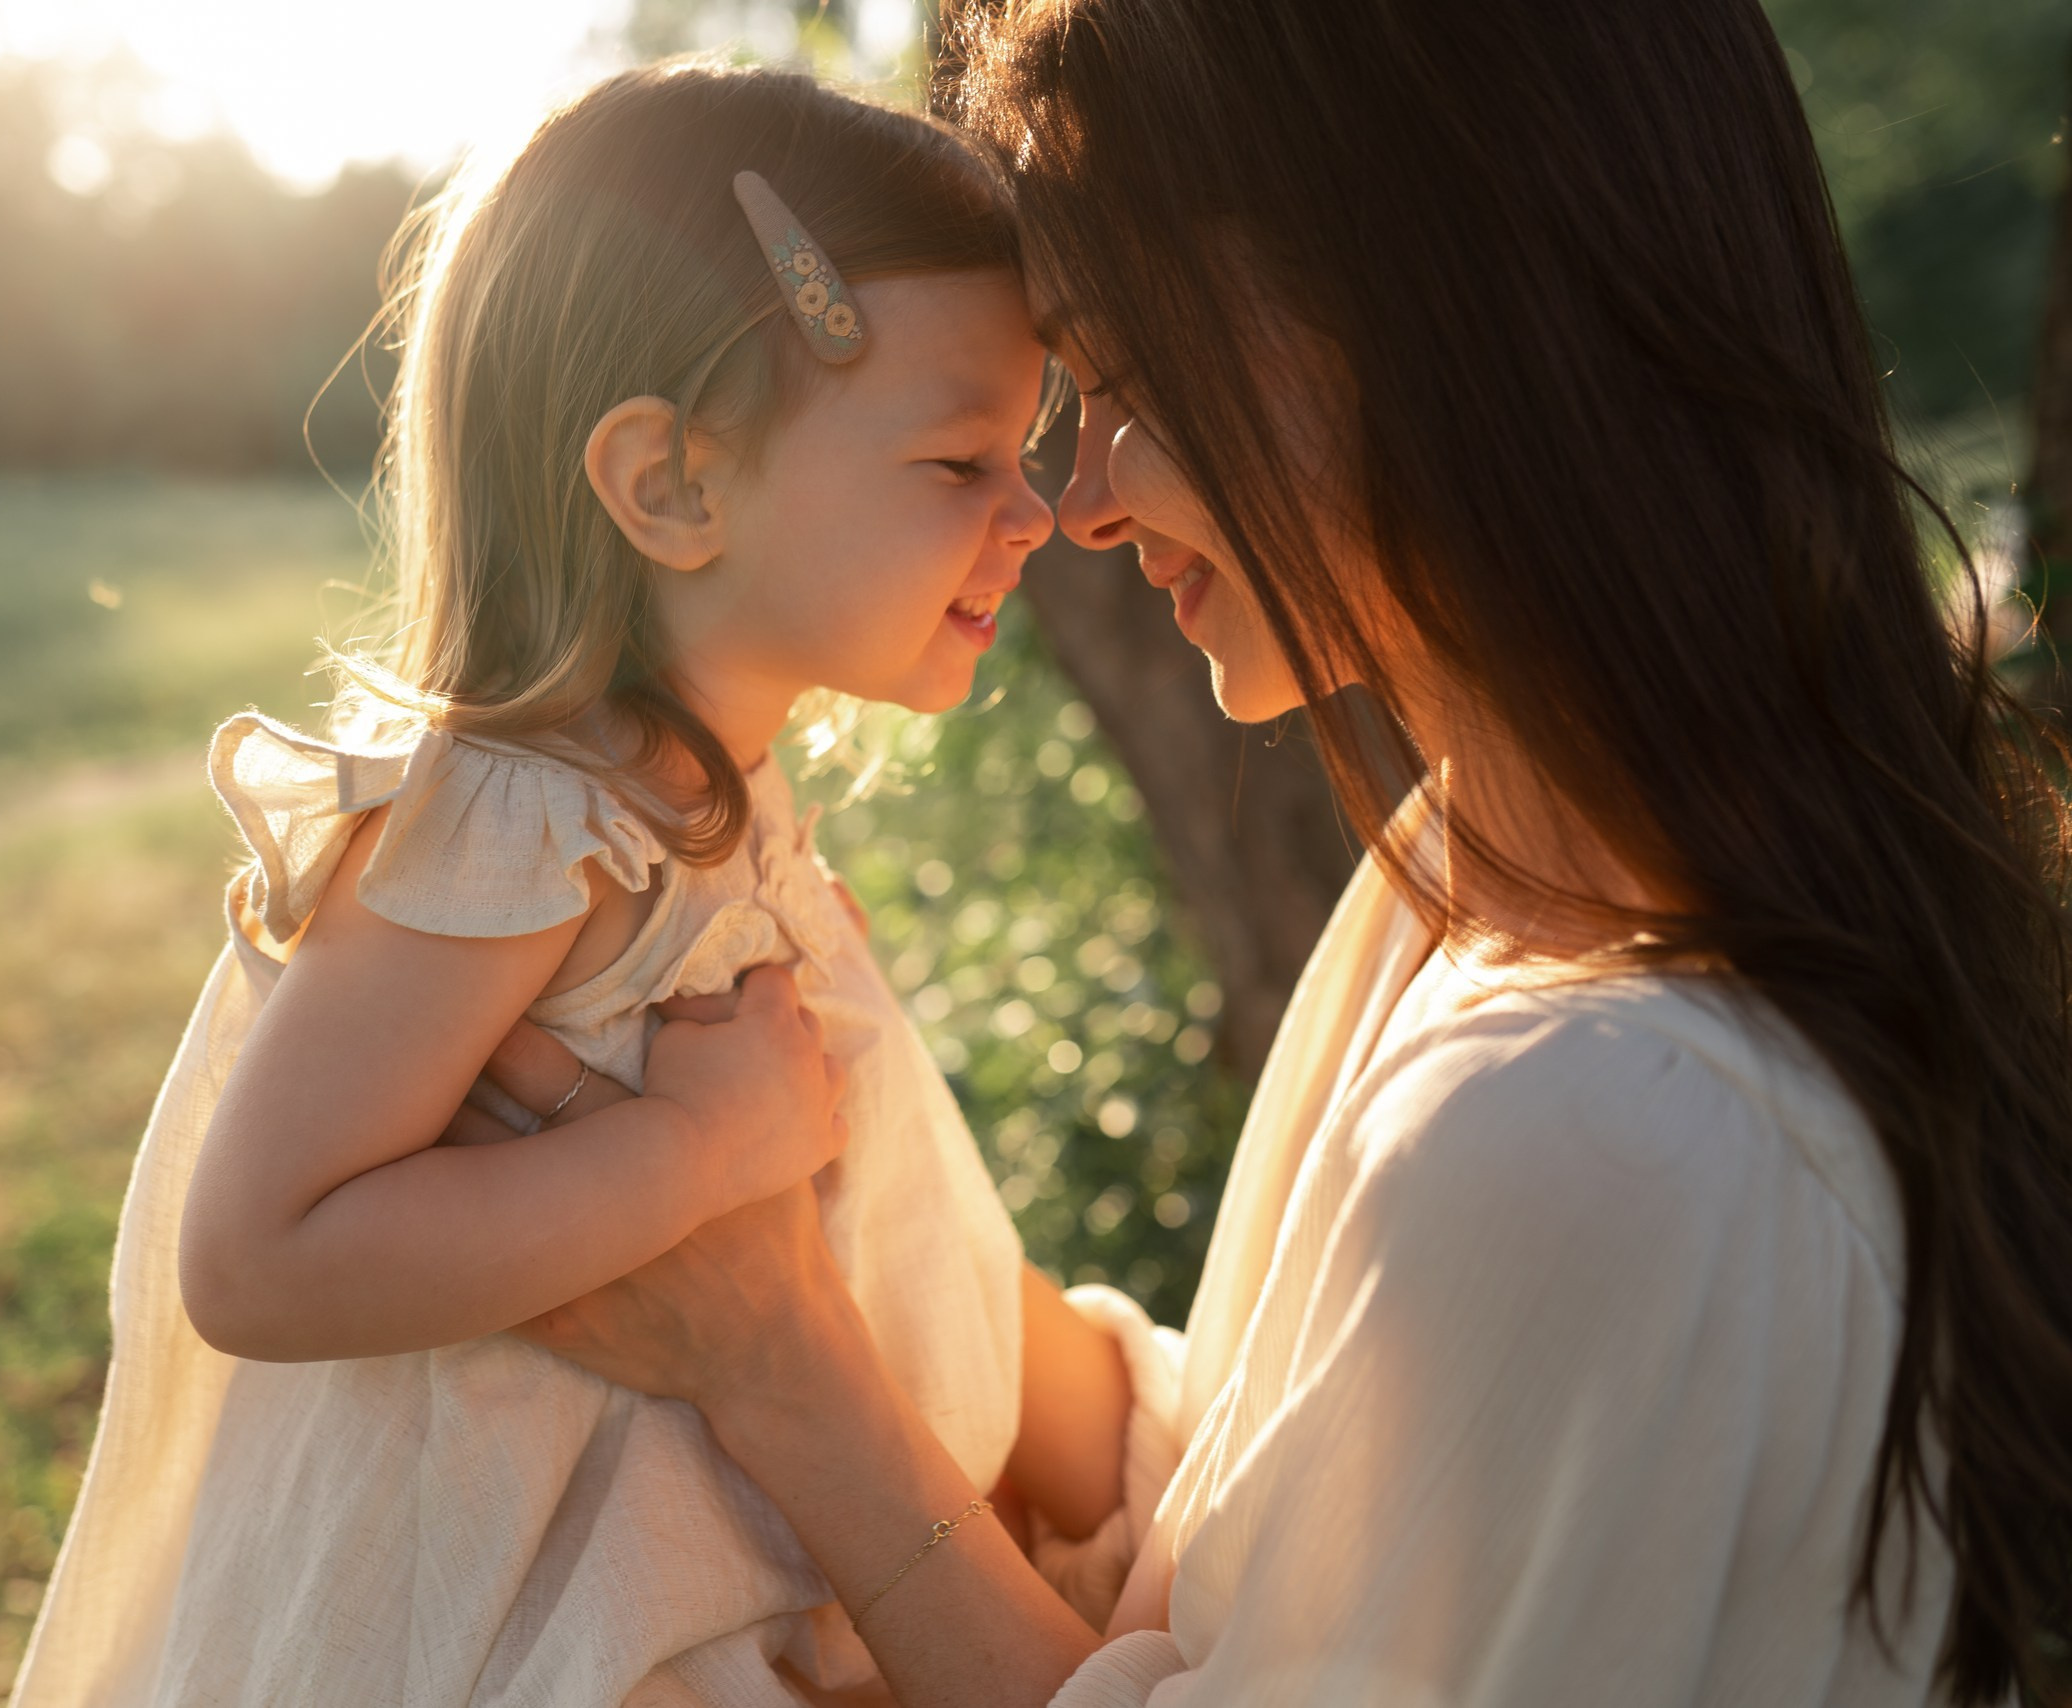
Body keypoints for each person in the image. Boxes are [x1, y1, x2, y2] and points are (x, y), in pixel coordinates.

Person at [481, 2, 2072, 1705]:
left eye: (1139, 380)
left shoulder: (1609, 1126)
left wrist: (780, 1365)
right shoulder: (1478, 863)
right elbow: (1283, 1522)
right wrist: (845, 1188)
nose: (1081, 501)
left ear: (1446, 313)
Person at [9, 61, 1088, 1708]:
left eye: (1027, 454)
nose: (1038, 513)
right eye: (961, 464)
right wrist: (694, 1147)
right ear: (668, 485)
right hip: (526, 1642)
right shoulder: (509, 822)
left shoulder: (711, 800)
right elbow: (258, 1254)